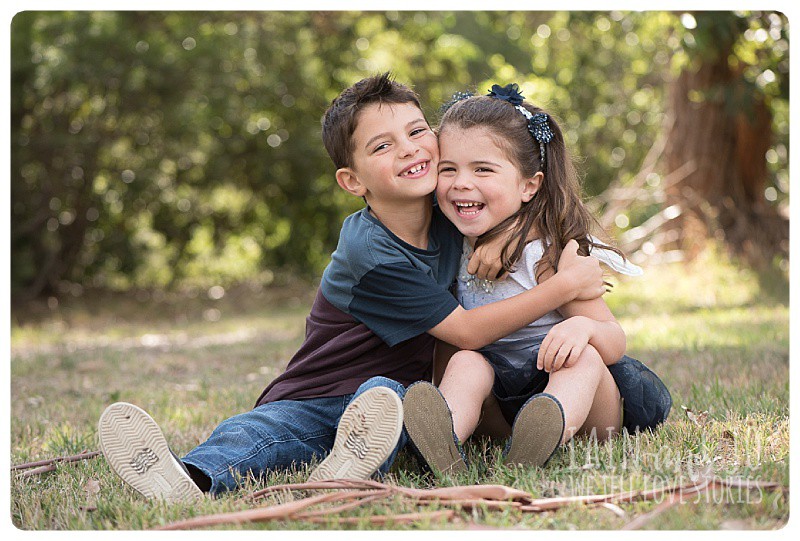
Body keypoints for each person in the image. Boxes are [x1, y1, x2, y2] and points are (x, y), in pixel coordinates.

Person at [98, 74, 608, 503]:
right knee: (261, 433)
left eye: (416, 131)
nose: (409, 150)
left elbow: (513, 196)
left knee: (389, 402)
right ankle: (186, 477)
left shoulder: (451, 209)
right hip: (322, 393)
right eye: (382, 146)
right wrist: (564, 284)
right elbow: (469, 331)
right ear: (352, 180)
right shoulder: (370, 251)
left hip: (404, 400)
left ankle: (352, 466)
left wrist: (512, 238)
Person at [402, 84, 672, 475]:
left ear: (529, 185)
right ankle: (443, 440)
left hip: (585, 412)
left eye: (482, 169)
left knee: (585, 358)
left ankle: (546, 429)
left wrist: (583, 327)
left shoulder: (551, 255)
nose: (461, 182)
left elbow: (614, 342)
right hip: (499, 408)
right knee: (467, 362)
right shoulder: (449, 245)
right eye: (449, 169)